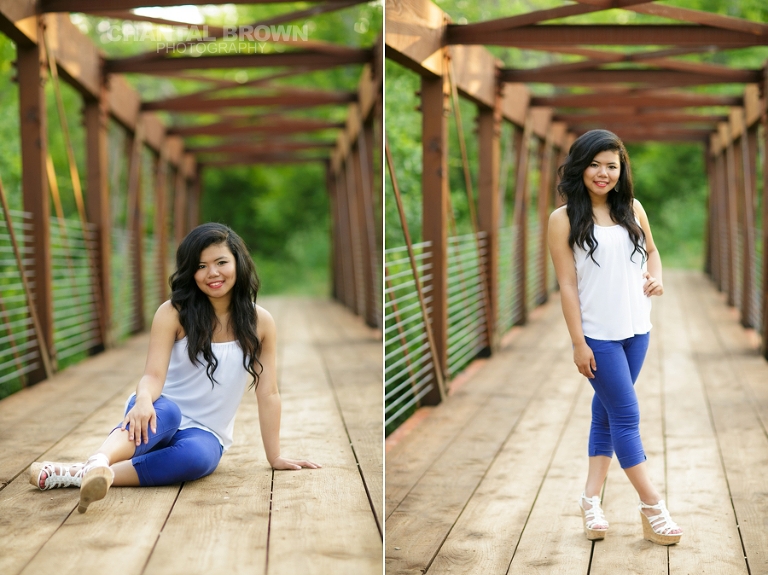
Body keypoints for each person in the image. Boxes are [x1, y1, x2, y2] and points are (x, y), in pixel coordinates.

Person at [29, 222, 320, 513]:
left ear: (238, 264)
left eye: (221, 262)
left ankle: (86, 475)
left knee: (198, 459)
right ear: (190, 272)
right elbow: (152, 376)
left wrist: (275, 456)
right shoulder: (173, 313)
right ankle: (98, 461)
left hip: (206, 433)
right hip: (156, 413)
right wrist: (143, 401)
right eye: (201, 266)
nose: (213, 273)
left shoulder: (260, 322)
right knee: (169, 411)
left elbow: (268, 393)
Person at [547, 130, 682, 546]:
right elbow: (567, 286)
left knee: (606, 412)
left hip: (636, 329)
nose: (603, 173)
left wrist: (655, 278)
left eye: (612, 165)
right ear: (579, 167)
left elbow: (653, 252)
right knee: (626, 417)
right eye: (594, 164)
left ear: (621, 170)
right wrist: (578, 343)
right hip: (598, 336)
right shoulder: (563, 218)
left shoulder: (633, 209)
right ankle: (652, 507)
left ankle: (590, 500)